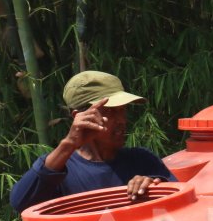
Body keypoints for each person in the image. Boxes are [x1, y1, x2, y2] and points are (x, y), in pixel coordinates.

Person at [9, 71, 176, 212]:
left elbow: (180, 198)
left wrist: (156, 186)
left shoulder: (141, 160)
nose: (121, 120)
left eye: (122, 110)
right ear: (79, 118)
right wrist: (69, 143)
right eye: (110, 112)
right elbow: (20, 203)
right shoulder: (60, 170)